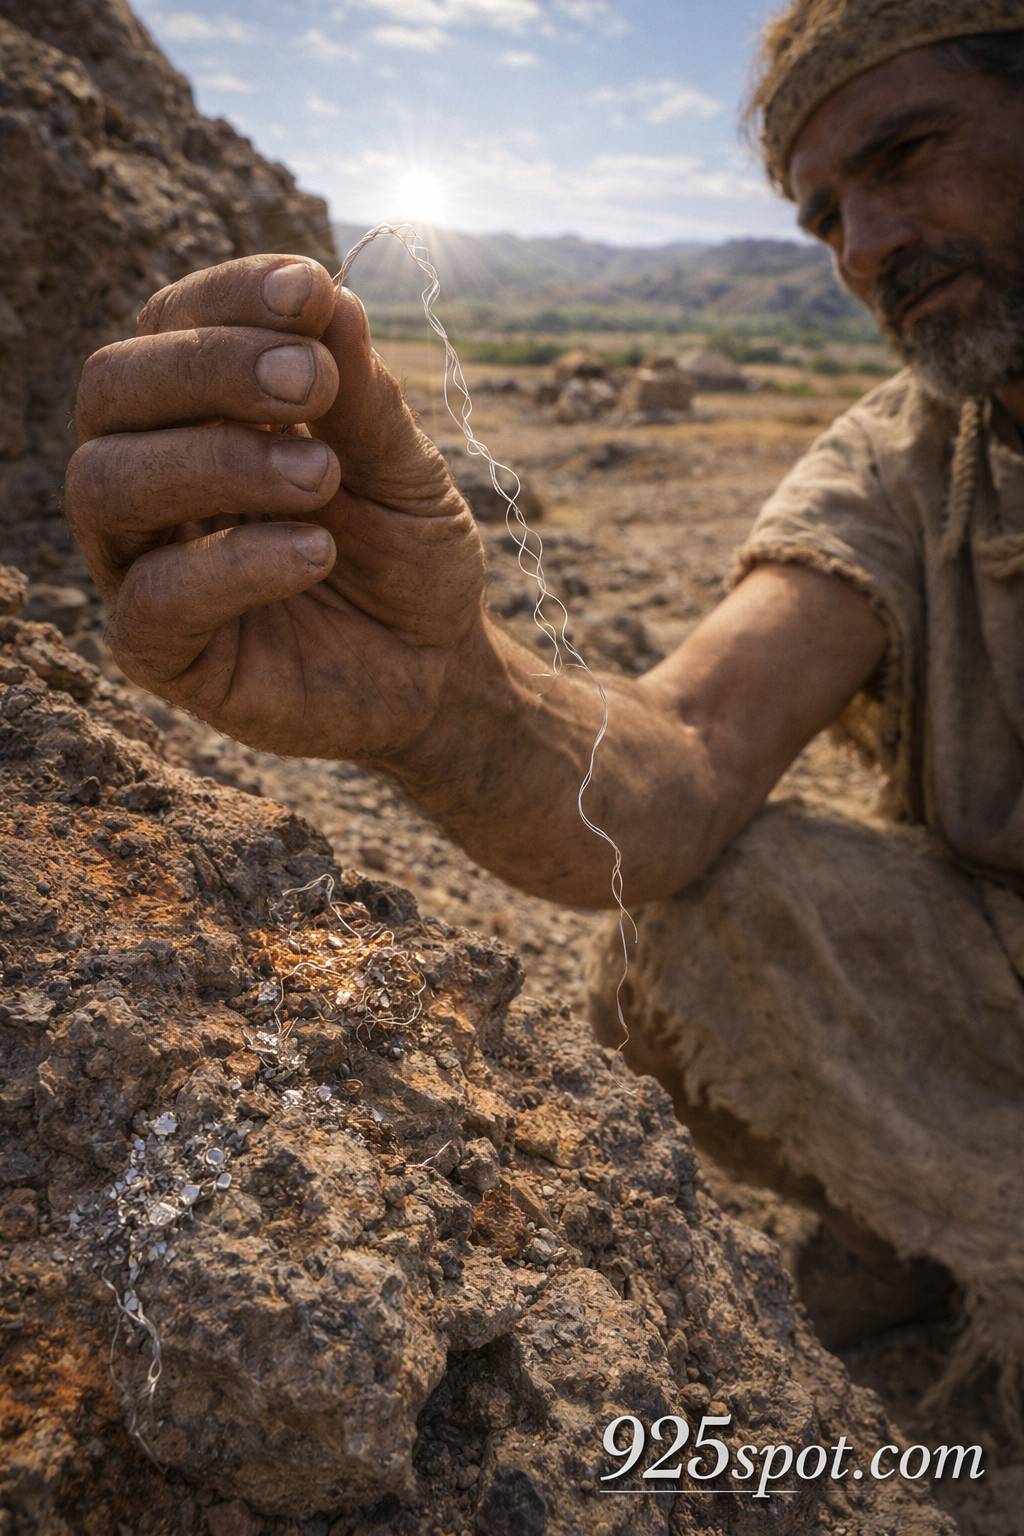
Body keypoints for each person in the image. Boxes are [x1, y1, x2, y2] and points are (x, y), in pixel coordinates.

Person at [67, 0, 1024, 1399]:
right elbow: (688, 756)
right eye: (825, 218)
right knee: (712, 910)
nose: (867, 246)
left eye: (911, 154)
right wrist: (438, 695)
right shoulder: (906, 458)